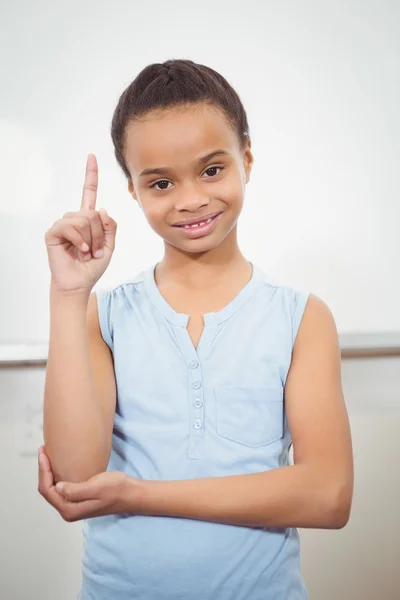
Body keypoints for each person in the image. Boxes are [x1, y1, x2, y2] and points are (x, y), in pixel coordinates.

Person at [38, 59, 354, 600]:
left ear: (246, 160)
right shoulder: (105, 316)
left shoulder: (302, 318)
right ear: (134, 192)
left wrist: (137, 495)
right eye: (161, 182)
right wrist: (69, 297)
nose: (190, 199)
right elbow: (75, 476)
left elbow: (327, 495)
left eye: (211, 170)